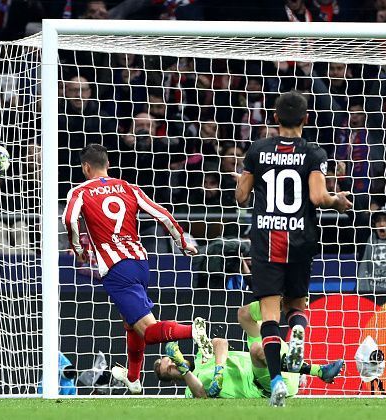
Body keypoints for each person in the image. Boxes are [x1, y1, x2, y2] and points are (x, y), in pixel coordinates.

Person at [62, 143, 211, 395]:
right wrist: (182, 242)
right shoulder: (129, 187)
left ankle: (193, 331)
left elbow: (69, 219)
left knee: (149, 332)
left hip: (117, 268)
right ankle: (133, 378)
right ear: (107, 165)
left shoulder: (80, 191)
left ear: (85, 167)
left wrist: (79, 250)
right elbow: (162, 214)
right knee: (131, 324)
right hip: (140, 263)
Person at [235, 90, 352, 406]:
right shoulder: (314, 153)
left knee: (269, 317)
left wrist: (244, 177)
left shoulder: (257, 150)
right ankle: (297, 332)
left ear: (275, 118)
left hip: (266, 241)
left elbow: (241, 197)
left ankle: (276, 383)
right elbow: (317, 198)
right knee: (297, 307)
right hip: (301, 239)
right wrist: (336, 202)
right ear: (306, 119)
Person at [153, 301, 344, 399]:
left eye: (170, 359)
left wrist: (219, 370)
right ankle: (317, 370)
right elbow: (201, 394)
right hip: (266, 385)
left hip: (274, 362)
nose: (172, 363)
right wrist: (185, 371)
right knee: (257, 349)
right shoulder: (190, 389)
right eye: (169, 368)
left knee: (244, 314)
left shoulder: (201, 355)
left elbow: (221, 343)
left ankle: (289, 303)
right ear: (173, 379)